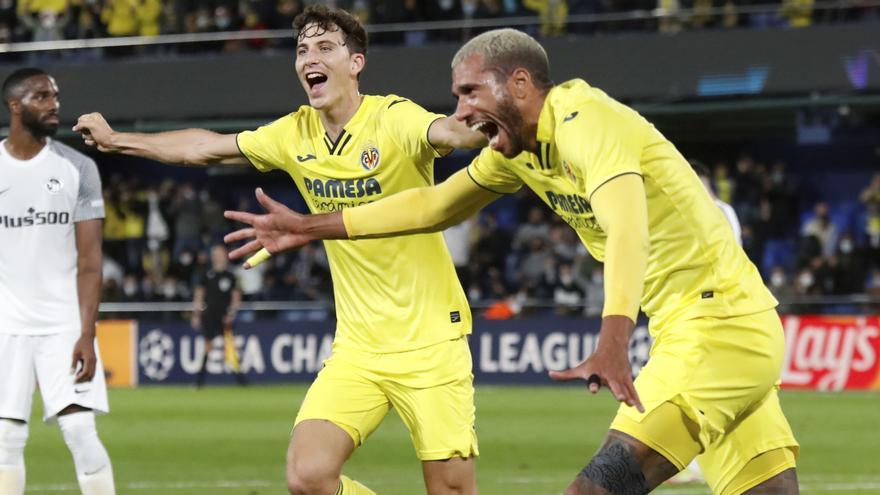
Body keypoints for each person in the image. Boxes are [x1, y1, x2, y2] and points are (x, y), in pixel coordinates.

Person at [224, 28, 801, 495]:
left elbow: (629, 226)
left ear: (520, 84)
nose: (462, 111)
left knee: (596, 489)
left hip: (717, 328)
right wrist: (308, 225)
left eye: (472, 92)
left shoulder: (586, 122)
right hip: (712, 329)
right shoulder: (518, 152)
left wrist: (613, 337)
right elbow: (431, 205)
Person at [73, 6, 484, 495]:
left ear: (356, 63)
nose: (310, 57)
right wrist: (119, 140)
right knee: (307, 476)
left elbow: (447, 133)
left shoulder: (393, 118)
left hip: (432, 341)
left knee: (452, 490)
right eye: (303, 50)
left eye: (325, 47)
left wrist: (489, 123)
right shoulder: (295, 134)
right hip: (359, 348)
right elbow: (204, 147)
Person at [0, 68, 116, 495]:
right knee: (5, 442)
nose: (54, 104)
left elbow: (90, 261)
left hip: (64, 325)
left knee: (81, 435)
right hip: (5, 325)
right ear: (16, 106)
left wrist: (87, 333)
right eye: (42, 97)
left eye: (55, 96)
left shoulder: (78, 168)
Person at [191, 244, 246, 387]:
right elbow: (199, 296)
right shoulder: (206, 275)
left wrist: (231, 313)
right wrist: (196, 315)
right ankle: (200, 380)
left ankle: (240, 379)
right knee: (208, 345)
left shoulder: (231, 276)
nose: (218, 256)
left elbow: (236, 297)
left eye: (220, 254)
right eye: (215, 254)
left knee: (229, 346)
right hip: (209, 315)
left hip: (224, 316)